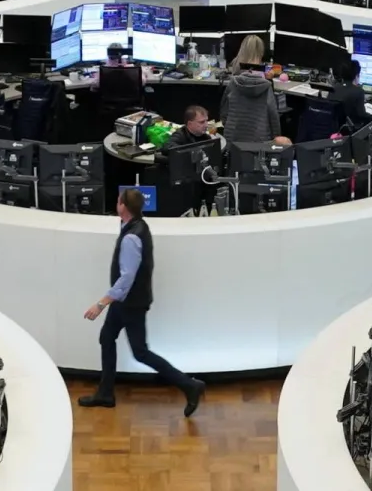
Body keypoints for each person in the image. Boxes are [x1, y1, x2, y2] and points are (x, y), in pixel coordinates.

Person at [78, 188, 205, 416]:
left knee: (140, 352)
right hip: (124, 302)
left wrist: (101, 304)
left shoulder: (131, 238)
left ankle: (189, 385)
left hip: (130, 304)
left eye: (118, 201)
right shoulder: (137, 226)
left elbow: (126, 278)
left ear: (123, 207)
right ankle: (105, 393)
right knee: (107, 337)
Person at [220, 35, 290, 145]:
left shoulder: (233, 82)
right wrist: (275, 138)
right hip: (259, 142)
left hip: (233, 140)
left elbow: (224, 114)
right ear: (261, 53)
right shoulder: (265, 85)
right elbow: (274, 118)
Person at [326, 59, 369, 129]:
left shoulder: (335, 87)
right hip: (348, 129)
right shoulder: (359, 91)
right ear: (357, 75)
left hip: (332, 127)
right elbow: (362, 115)